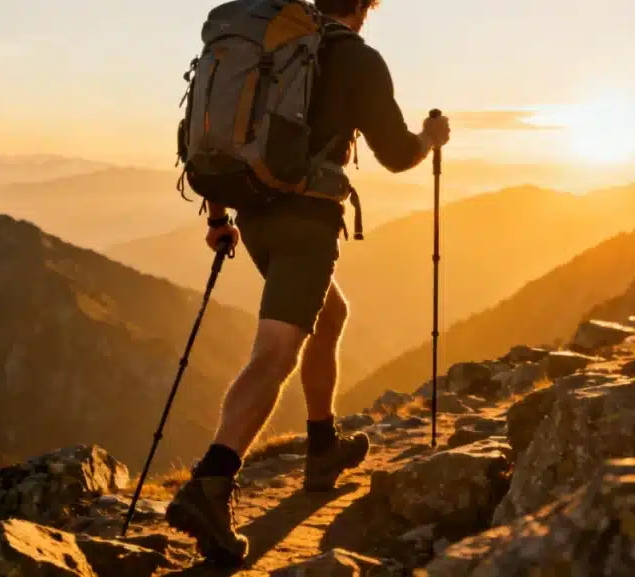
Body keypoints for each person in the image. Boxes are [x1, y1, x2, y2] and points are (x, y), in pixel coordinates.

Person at [164, 0, 451, 566]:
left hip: (252, 212)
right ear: (366, 8)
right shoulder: (357, 59)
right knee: (275, 353)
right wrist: (429, 137)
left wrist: (219, 219)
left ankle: (322, 448)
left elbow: (223, 138)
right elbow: (395, 155)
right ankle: (211, 483)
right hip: (306, 223)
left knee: (331, 314)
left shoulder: (272, 45)